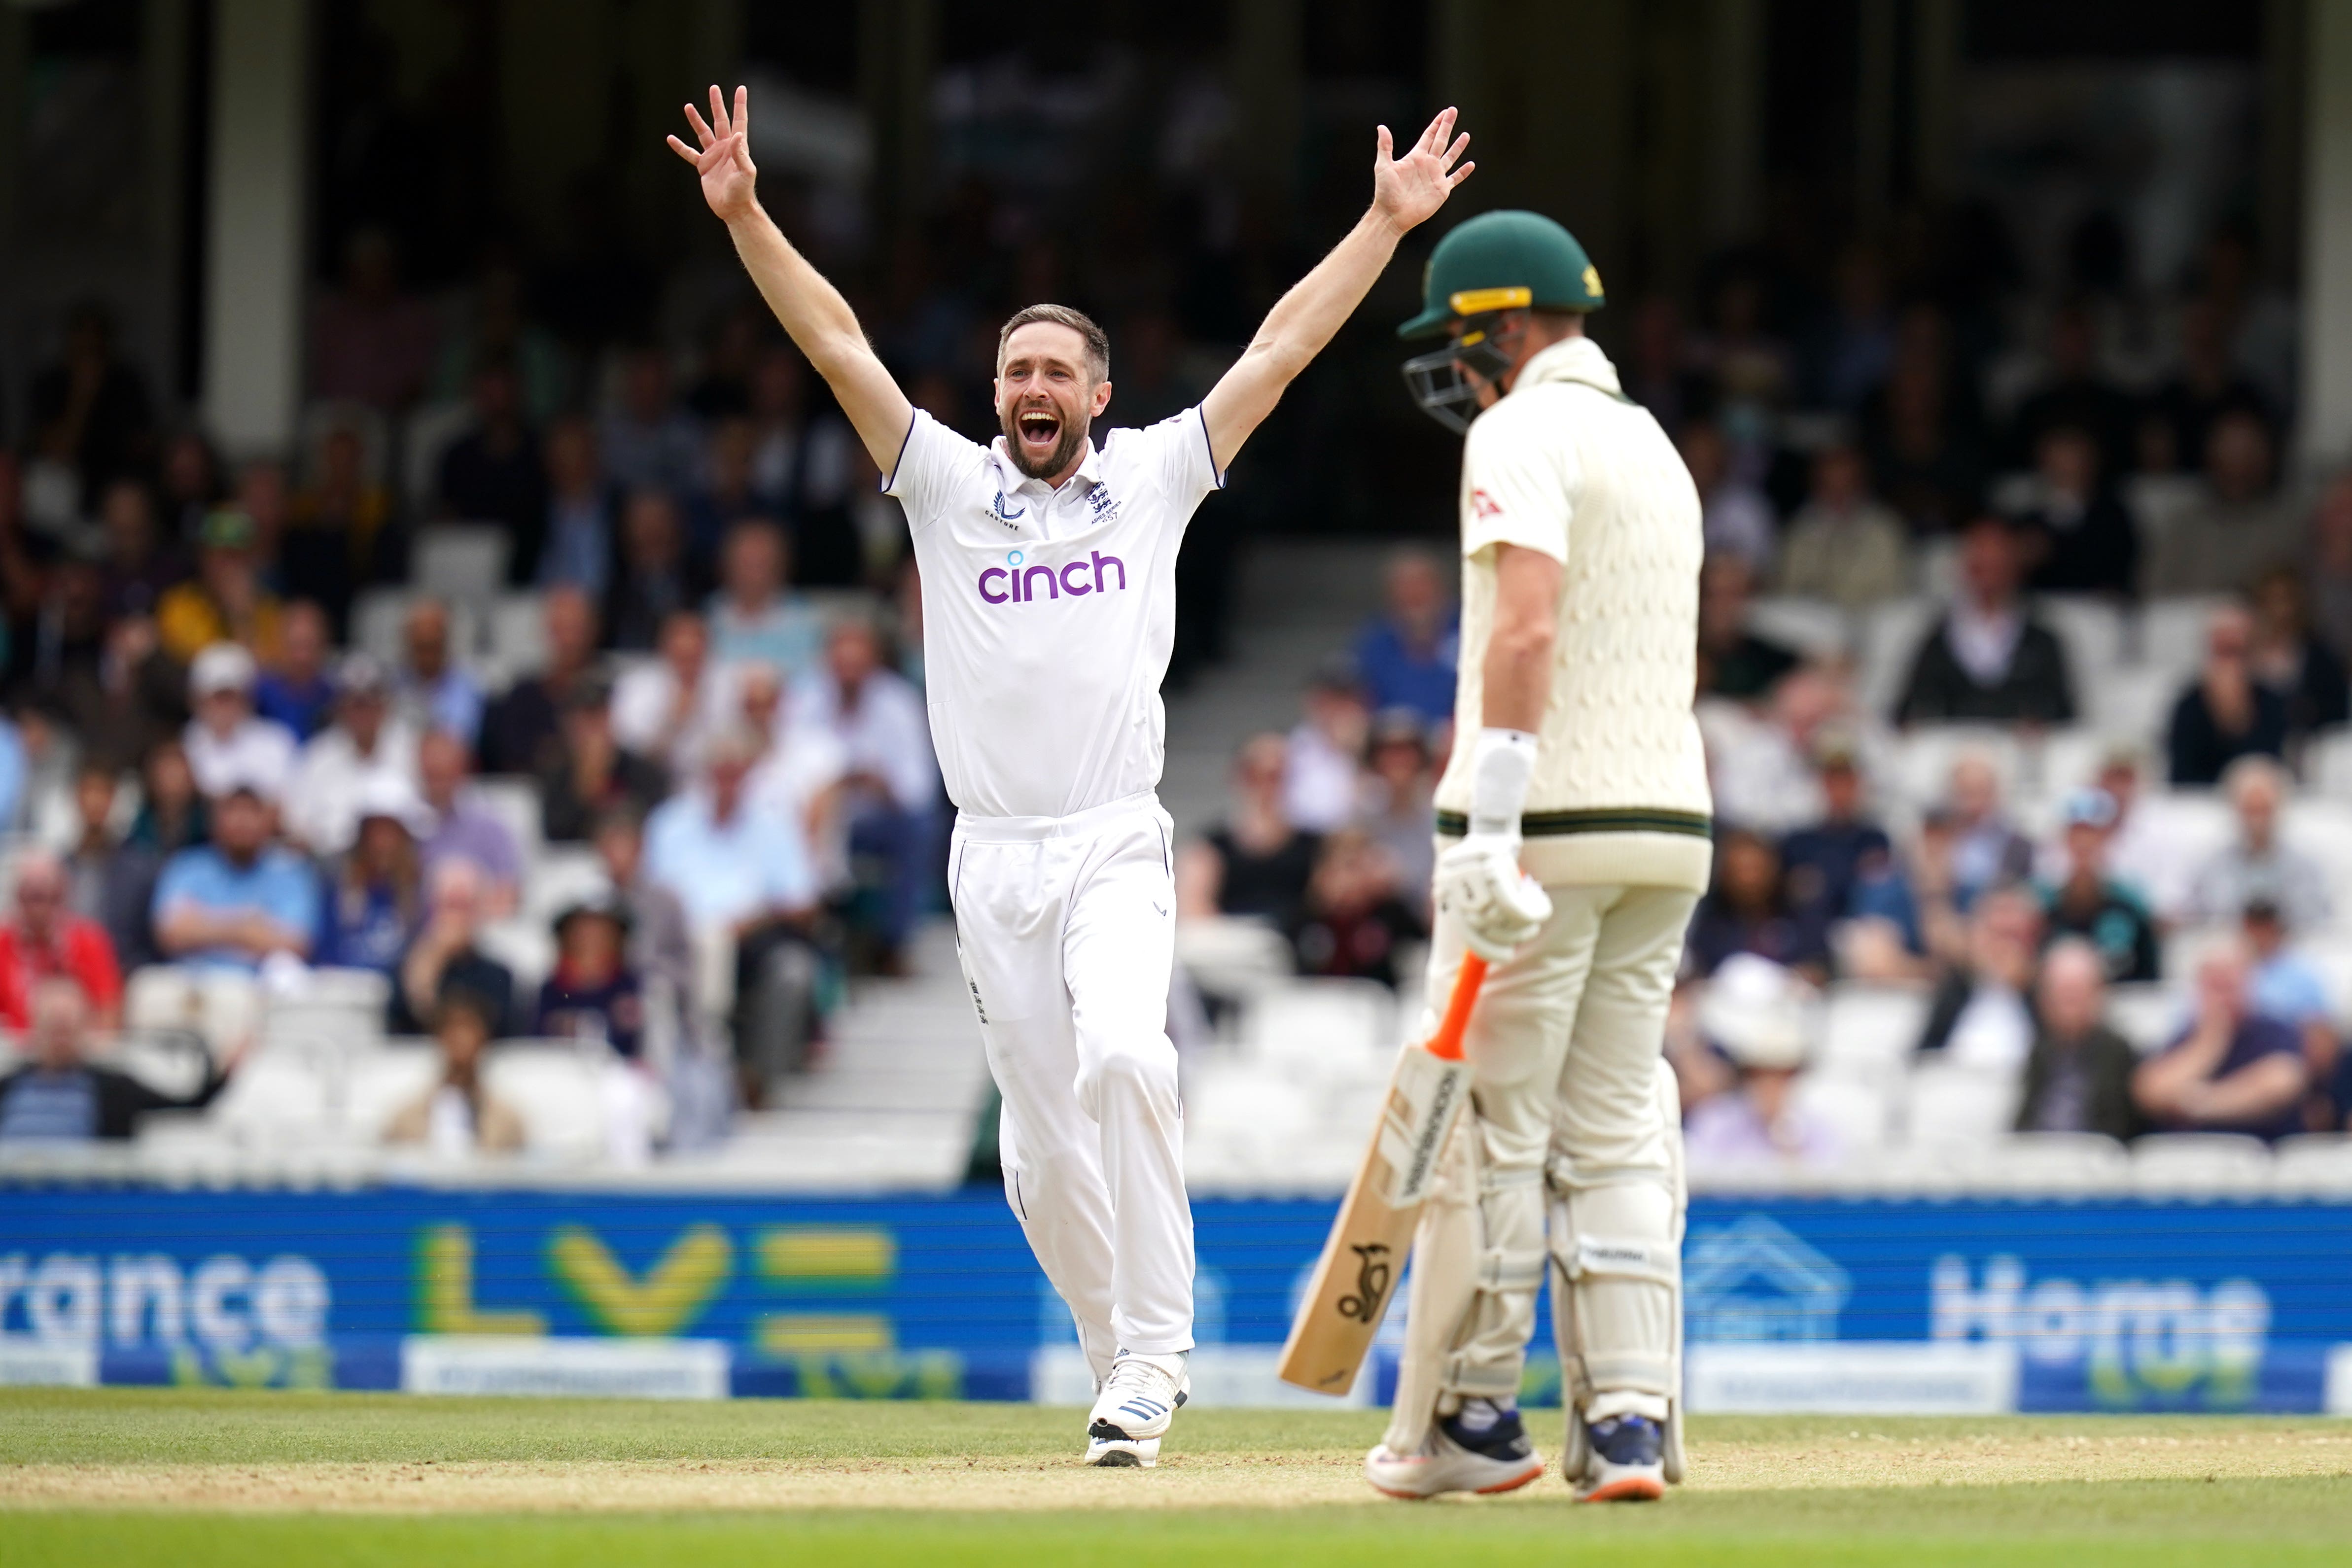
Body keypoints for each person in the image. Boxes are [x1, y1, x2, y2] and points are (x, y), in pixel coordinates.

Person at [673, 82, 1474, 1466]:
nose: (1033, 389)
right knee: (1039, 1152)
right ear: (995, 395)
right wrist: (747, 215)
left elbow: (1281, 347)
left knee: (1125, 1053)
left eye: (1057, 373)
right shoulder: (939, 482)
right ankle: (1119, 1362)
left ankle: (1156, 1353)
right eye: (1015, 372)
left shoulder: (1159, 473)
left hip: (1111, 836)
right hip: (991, 855)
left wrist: (1382, 224)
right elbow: (834, 338)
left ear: (1098, 394)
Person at [1369, 206, 1711, 1503]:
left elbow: (1524, 630)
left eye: (1462, 344)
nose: (1458, 373)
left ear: (1506, 326)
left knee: (1495, 1125)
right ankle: (1626, 1416)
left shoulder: (1518, 431)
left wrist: (1495, 823)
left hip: (1547, 828)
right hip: (1666, 827)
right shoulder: (1654, 442)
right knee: (1617, 1121)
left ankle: (1473, 1413)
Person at [645, 729, 823, 1092]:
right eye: (719, 771)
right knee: (685, 954)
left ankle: (757, 1079)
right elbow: (654, 895)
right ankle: (688, 1070)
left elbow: (802, 902)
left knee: (793, 970)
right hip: (684, 942)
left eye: (736, 771)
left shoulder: (775, 823)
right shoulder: (669, 823)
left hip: (753, 940)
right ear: (704, 774)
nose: (727, 781)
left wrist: (753, 919)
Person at [797, 616, 938, 973]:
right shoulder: (804, 698)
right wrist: (836, 781)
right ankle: (811, 940)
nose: (849, 674)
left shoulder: (898, 702)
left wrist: (883, 785)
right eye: (842, 664)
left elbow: (919, 787)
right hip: (815, 816)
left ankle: (893, 943)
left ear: (873, 663)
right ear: (827, 660)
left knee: (920, 827)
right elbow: (788, 768)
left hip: (872, 821)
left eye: (857, 665)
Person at [0, 977, 233, 1143]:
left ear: (85, 1027)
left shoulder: (114, 1089)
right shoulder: (9, 1087)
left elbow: (190, 1103)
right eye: (53, 1027)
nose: (61, 1039)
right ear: (34, 1027)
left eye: (68, 1028)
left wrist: (225, 1068)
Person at [1893, 516, 2075, 726]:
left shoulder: (2043, 642)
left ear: (2015, 566)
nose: (1989, 571)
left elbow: (2065, 717)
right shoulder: (1936, 640)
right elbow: (1908, 714)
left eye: (1997, 562)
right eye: (1981, 562)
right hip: (1952, 752)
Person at [2132, 941, 2308, 1142]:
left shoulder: (2276, 1031)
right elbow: (2150, 1092)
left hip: (2261, 1153)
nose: (2223, 998)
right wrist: (2209, 1045)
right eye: (2215, 987)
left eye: (2229, 986)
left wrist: (2198, 1104)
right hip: (2188, 1158)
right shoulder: (2183, 1035)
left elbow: (2281, 1083)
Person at [1681, 955, 1840, 1169]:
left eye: (1783, 1075)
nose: (1771, 1085)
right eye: (1759, 1074)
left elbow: (1830, 1192)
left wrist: (1791, 1153)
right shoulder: (1715, 1123)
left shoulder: (1820, 1131)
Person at [151, 783, 319, 973]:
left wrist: (204, 923)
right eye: (232, 811)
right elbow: (170, 935)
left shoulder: (290, 872)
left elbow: (296, 945)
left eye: (252, 812)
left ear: (269, 821)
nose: (242, 821)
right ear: (214, 820)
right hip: (194, 986)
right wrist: (248, 926)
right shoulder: (187, 867)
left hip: (262, 987)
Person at [2145, 411, 2302, 595]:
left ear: (2268, 458)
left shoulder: (2291, 526)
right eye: (2229, 452)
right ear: (2210, 457)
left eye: (2248, 453)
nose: (2238, 464)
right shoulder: (2183, 525)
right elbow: (2153, 595)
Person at [1175, 733, 1321, 931]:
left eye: (1278, 776)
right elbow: (1194, 914)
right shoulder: (1207, 851)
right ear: (1238, 777)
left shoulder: (1318, 848)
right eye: (1256, 775)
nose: (1268, 787)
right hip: (1233, 951)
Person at [284, 654, 421, 856]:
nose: (363, 713)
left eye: (370, 703)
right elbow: (296, 824)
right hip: (330, 865)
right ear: (340, 708)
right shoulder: (317, 755)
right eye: (355, 704)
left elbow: (425, 820)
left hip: (398, 863)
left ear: (385, 706)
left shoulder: (412, 749)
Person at [2013, 939, 2141, 1139]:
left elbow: (2118, 1127)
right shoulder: (2040, 1050)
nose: (2068, 1004)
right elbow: (2023, 1122)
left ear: (2098, 994)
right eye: (2060, 993)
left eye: (2076, 994)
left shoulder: (2117, 1053)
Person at [2189, 756, 2331, 932]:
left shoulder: (2305, 867)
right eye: (2250, 810)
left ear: (2280, 808)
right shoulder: (2210, 865)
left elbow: (2315, 924)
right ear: (2234, 808)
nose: (2257, 821)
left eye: (2264, 809)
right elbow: (2197, 921)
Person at [1913, 885, 2043, 1071]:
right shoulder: (1956, 990)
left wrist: (2024, 987)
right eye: (1995, 935)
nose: (2002, 949)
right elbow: (1924, 1055)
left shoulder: (2045, 993)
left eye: (2011, 937)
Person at [383, 988, 525, 1154]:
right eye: (453, 1029)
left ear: (484, 1039)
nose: (460, 1039)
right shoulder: (405, 1121)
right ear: (439, 1039)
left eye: (469, 1029)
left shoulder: (508, 1123)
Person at [2038, 789, 2159, 984]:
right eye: (2076, 833)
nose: (2084, 843)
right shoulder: (2043, 905)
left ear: (2109, 838)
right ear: (2064, 839)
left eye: (2094, 834)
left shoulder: (2130, 904)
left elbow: (2150, 972)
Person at [479, 585, 601, 776]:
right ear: (546, 632)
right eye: (560, 629)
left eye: (575, 629)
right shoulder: (522, 697)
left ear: (593, 631)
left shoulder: (610, 694)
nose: (568, 641)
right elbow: (513, 756)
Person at [390, 857, 517, 1037]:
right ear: (433, 909)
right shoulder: (406, 969)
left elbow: (500, 1030)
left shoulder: (498, 976)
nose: (458, 918)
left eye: (465, 906)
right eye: (451, 905)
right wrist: (425, 973)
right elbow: (400, 1033)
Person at [435, 359, 547, 562]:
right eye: (489, 394)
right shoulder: (457, 455)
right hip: (473, 563)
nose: (498, 403)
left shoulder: (541, 451)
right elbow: (446, 521)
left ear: (519, 394)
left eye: (503, 391)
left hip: (533, 566)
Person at [1683, 828, 1830, 981]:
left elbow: (1820, 966)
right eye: (1740, 871)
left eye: (1756, 870)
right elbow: (1700, 972)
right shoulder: (1712, 924)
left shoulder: (1799, 913)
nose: (1749, 880)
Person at [1773, 443, 1908, 610]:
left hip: (1872, 621)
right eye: (1829, 487)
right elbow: (1786, 590)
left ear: (1861, 484)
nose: (1839, 497)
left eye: (1847, 486)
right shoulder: (1798, 531)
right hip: (1813, 624)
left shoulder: (1886, 529)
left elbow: (1896, 591)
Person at [316, 779, 429, 976]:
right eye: (374, 832)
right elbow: (324, 956)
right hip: (344, 990)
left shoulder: (421, 893)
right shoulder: (336, 889)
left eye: (391, 833)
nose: (381, 844)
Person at [0, 850, 124, 1030]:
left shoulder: (90, 941)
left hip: (78, 1051)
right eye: (33, 898)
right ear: (18, 898)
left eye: (50, 898)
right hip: (15, 1050)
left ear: (64, 897)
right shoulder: (3, 943)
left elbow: (108, 1013)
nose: (40, 910)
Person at [1286, 827, 1424, 988]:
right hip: (1319, 1003)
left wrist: (1394, 890)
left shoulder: (1388, 913)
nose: (1349, 879)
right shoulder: (1308, 917)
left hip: (1375, 1003)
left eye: (1357, 867)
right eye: (1343, 868)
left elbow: (1420, 941)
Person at [540, 678, 668, 844]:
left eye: (597, 718)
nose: (591, 731)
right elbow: (556, 833)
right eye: (582, 721)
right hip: (575, 864)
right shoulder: (556, 774)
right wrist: (586, 784)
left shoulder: (644, 772)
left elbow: (655, 827)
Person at [2016, 424, 2138, 596]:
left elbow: (2121, 569)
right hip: (2040, 607)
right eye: (2057, 458)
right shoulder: (2028, 520)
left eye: (2072, 457)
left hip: (2093, 608)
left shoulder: (2112, 516)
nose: (2064, 467)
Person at [64, 762, 162, 972]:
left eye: (103, 792)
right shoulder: (58, 869)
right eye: (88, 791)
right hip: (66, 975)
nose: (95, 802)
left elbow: (150, 942)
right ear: (75, 799)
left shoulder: (141, 870)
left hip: (124, 973)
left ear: (115, 801)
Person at [156, 508, 283, 665]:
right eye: (222, 555)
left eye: (237, 556)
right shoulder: (178, 606)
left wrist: (243, 616)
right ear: (204, 558)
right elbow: (207, 669)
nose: (230, 567)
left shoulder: (269, 610)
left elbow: (271, 670)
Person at [416, 732, 523, 912]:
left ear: (462, 771)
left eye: (445, 774)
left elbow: (511, 893)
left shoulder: (490, 827)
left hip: (479, 928)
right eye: (432, 775)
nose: (438, 784)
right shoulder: (403, 825)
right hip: (418, 929)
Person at [611, 609, 726, 776]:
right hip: (651, 783)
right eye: (682, 656)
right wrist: (674, 722)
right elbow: (631, 757)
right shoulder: (636, 688)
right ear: (664, 647)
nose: (688, 664)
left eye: (694, 656)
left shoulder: (728, 687)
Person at [1350, 548, 1460, 723]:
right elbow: (1355, 701)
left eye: (1421, 585)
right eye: (1405, 587)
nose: (1414, 596)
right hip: (1396, 740)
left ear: (1441, 589)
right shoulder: (1374, 643)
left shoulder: (1470, 633)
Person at [180, 642, 298, 803]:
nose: (223, 707)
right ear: (198, 700)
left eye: (230, 697)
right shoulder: (186, 743)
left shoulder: (277, 742)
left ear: (248, 698)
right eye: (217, 697)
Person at [2247, 567, 2350, 749]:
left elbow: (2337, 712)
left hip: (2312, 749)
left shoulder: (2320, 657)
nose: (2279, 610)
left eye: (2285, 600)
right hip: (2255, 750)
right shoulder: (2242, 657)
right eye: (2270, 600)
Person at [706, 518, 822, 677]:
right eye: (747, 562)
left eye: (763, 562)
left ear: (781, 565)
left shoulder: (806, 619)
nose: (755, 573)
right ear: (727, 564)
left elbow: (813, 680)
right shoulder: (708, 615)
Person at [534, 896, 644, 1059]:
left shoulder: (635, 988)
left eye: (602, 931)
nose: (590, 939)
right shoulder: (550, 990)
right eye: (581, 930)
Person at [1355, 709, 1438, 921]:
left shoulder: (1438, 819)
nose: (1398, 762)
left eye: (1406, 752)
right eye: (1389, 753)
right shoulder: (1360, 820)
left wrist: (1398, 880)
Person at [1676, 418, 1774, 576]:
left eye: (1706, 459)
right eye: (1693, 458)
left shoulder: (1747, 511)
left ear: (1721, 461)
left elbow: (1757, 573)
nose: (1699, 468)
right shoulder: (1666, 506)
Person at [1284, 660, 1371, 833]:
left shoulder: (1384, 744)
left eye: (1346, 698)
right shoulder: (1293, 749)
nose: (1338, 708)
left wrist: (1359, 757)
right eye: (1329, 699)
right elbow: (1297, 812)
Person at [1695, 554, 1797, 701]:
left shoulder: (1769, 655)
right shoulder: (1683, 647)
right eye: (1714, 595)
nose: (1723, 605)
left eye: (1734, 595)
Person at [535, 415, 615, 597]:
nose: (570, 464)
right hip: (547, 613)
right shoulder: (531, 516)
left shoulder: (618, 510)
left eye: (578, 453)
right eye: (562, 454)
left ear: (594, 456)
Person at [394, 598, 486, 749]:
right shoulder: (393, 688)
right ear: (408, 642)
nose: (427, 654)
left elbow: (462, 743)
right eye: (421, 646)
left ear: (446, 640)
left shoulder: (469, 688)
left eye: (433, 645)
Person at [253, 600, 337, 741]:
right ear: (280, 643)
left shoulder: (335, 695)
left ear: (324, 645)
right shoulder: (259, 694)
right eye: (295, 646)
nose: (302, 658)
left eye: (308, 646)